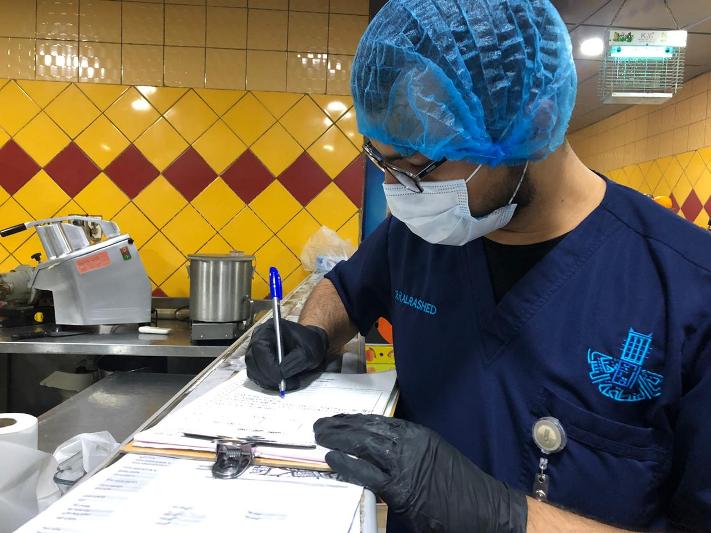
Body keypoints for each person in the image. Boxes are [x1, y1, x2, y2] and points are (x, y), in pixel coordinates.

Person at [245, 0, 711, 531]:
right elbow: (347, 291)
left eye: (417, 165)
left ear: (532, 124)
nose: (396, 190)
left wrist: (506, 517)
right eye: (380, 161)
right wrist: (311, 334)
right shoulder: (419, 236)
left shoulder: (687, 292)